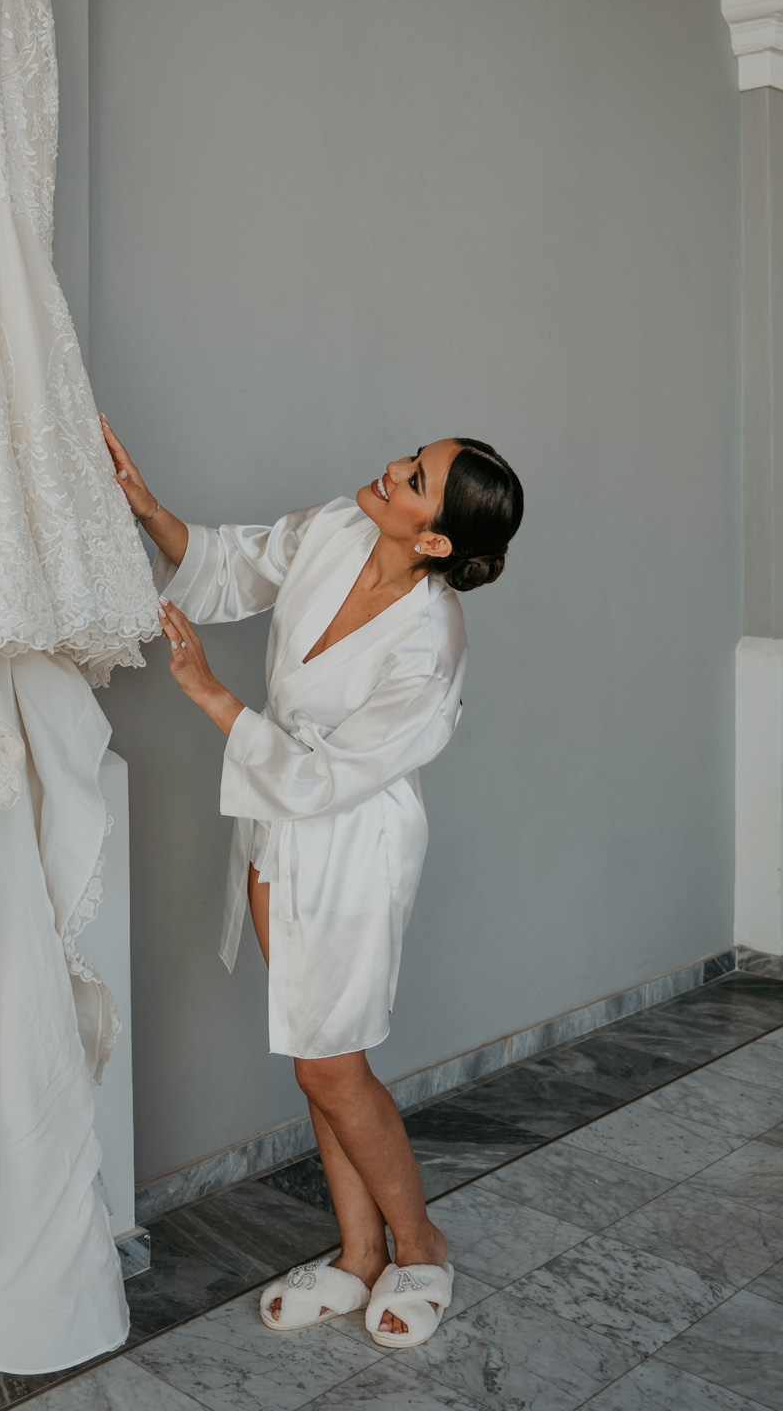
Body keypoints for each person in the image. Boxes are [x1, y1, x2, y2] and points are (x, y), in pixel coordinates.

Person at [101, 418, 523, 1351]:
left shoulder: (430, 648)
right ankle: (359, 1252)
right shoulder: (337, 527)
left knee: (334, 1062)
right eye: (408, 459)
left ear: (437, 539)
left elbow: (331, 778)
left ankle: (422, 1244)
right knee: (312, 1052)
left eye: (413, 478)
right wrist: (146, 507)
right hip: (272, 828)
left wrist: (213, 694)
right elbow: (236, 561)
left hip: (350, 848)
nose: (391, 468)